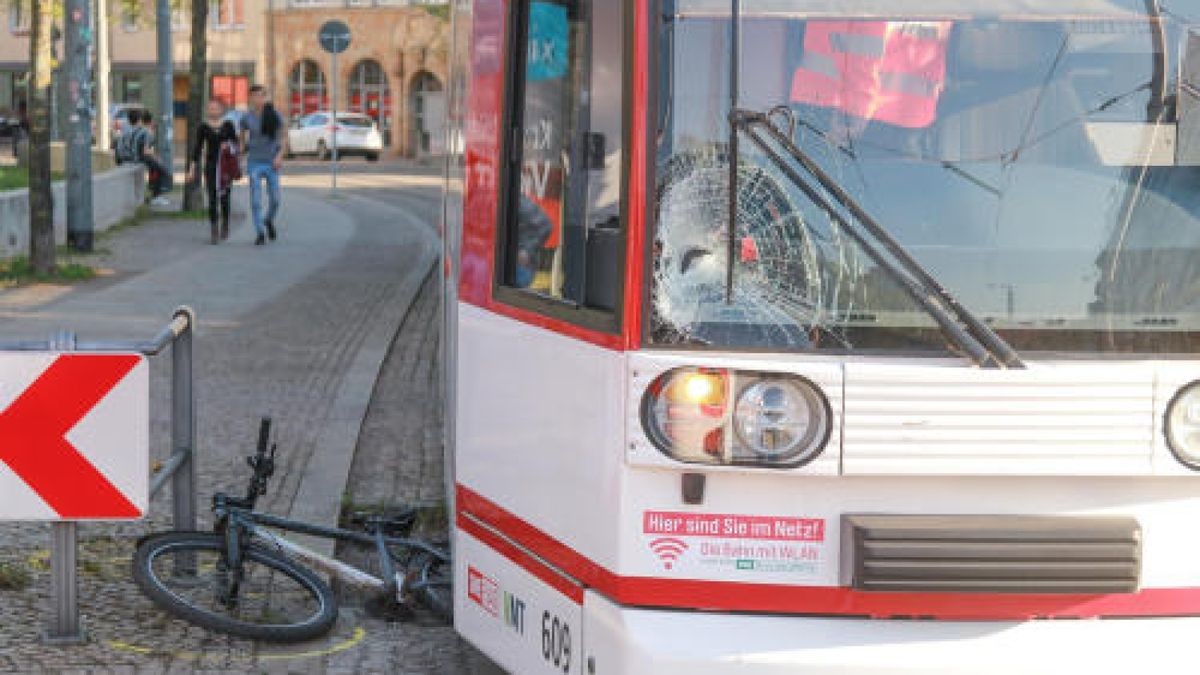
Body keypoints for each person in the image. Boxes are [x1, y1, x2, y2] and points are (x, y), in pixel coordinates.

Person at [240, 85, 285, 245]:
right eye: (254, 97)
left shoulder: (275, 115)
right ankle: (260, 232)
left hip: (272, 162)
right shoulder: (246, 118)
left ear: (265, 98)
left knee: (275, 199)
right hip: (254, 162)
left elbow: (283, 138)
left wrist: (279, 156)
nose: (257, 99)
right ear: (250, 99)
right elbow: (242, 136)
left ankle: (268, 220)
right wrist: (241, 152)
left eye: (260, 96)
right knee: (256, 200)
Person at [189, 100, 240, 243]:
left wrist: (228, 145)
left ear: (221, 110)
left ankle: (225, 224)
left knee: (224, 198)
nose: (212, 111)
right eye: (210, 108)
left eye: (215, 108)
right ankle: (214, 230)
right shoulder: (203, 127)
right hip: (211, 166)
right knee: (212, 198)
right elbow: (197, 148)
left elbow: (236, 144)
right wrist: (192, 168)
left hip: (225, 167)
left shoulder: (228, 125)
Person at [135, 110, 170, 206]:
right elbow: (145, 150)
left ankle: (154, 194)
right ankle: (157, 196)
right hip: (143, 157)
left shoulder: (142, 130)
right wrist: (155, 157)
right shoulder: (147, 132)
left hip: (140, 156)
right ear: (150, 121)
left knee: (155, 171)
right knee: (163, 171)